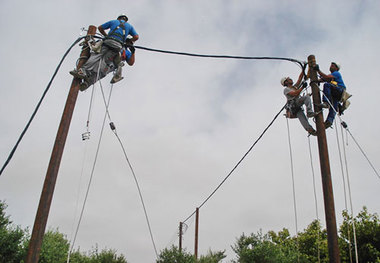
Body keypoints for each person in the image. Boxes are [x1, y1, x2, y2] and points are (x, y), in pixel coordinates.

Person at [70, 14, 139, 91]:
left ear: (119, 18)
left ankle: (83, 71)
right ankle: (87, 82)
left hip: (109, 45)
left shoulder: (114, 22)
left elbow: (100, 28)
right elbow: (136, 38)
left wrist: (106, 36)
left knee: (96, 56)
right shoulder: (125, 48)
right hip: (112, 59)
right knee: (101, 72)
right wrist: (133, 51)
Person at [281, 70, 317, 136]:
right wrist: (303, 87)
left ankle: (310, 130)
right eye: (289, 79)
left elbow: (300, 78)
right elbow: (295, 94)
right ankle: (309, 112)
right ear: (286, 82)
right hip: (294, 105)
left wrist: (303, 69)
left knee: (302, 118)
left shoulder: (294, 87)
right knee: (306, 98)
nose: (291, 79)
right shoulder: (286, 90)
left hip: (297, 107)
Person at [315, 62, 349, 129]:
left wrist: (318, 70)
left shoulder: (336, 73)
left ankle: (326, 102)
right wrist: (316, 81)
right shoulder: (332, 76)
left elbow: (326, 77)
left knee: (326, 85)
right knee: (334, 106)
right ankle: (329, 121)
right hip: (336, 93)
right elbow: (324, 79)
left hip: (340, 90)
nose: (331, 66)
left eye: (333, 66)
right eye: (331, 65)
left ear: (336, 68)